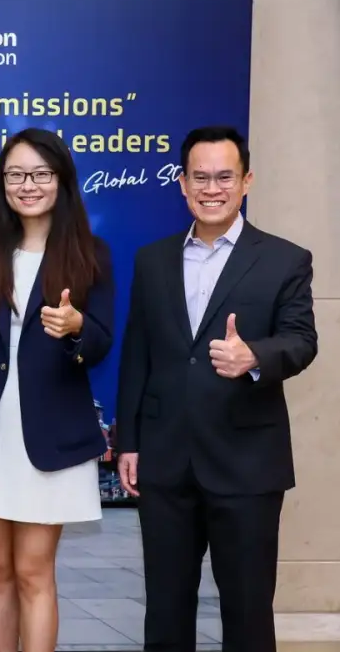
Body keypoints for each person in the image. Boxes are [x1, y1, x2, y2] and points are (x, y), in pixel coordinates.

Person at [116, 125, 318, 652]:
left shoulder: (284, 259)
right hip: (166, 461)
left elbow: (301, 340)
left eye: (225, 177)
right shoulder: (152, 259)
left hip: (247, 463)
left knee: (248, 612)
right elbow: (137, 354)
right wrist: (130, 442)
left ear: (246, 181)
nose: (212, 189)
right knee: (165, 610)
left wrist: (255, 357)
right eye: (200, 178)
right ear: (183, 184)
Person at [0, 127, 114, 652]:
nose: (28, 185)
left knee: (34, 571)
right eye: (16, 174)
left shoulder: (90, 252)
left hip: (51, 432)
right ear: (2, 183)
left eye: (41, 174)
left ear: (61, 180)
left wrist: (76, 327)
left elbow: (102, 341)